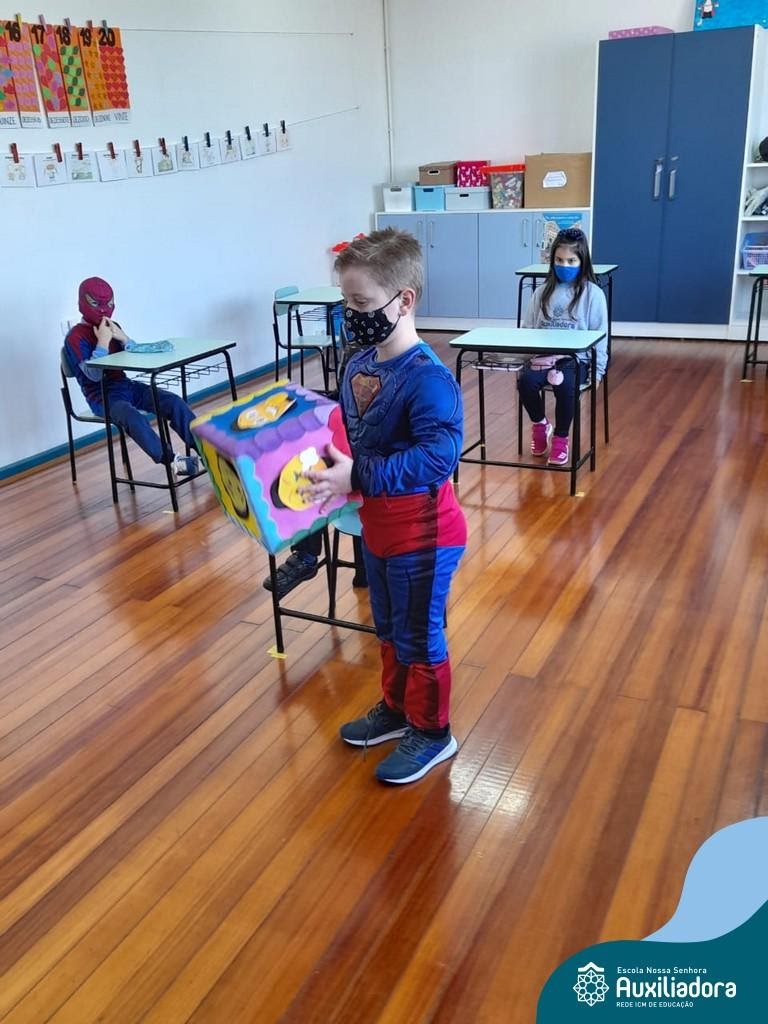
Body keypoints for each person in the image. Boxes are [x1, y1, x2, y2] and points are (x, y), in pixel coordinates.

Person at [306, 228, 466, 785]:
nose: (351, 315)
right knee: (389, 629)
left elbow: (437, 459)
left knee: (420, 636)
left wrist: (358, 475)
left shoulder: (430, 381)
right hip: (377, 529)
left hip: (425, 535)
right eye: (346, 302)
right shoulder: (357, 364)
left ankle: (434, 732)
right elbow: (354, 438)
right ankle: (397, 711)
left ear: (404, 300)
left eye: (362, 303)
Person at [262, 321, 369, 599]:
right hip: (349, 463)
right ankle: (307, 555)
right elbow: (344, 400)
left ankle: (310, 556)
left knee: (332, 461)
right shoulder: (356, 345)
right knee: (308, 453)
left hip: (376, 478)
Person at [64, 277, 199, 475]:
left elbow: (134, 357)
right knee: (132, 416)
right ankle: (171, 461)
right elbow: (93, 376)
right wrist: (102, 343)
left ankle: (205, 449)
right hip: (102, 397)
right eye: (96, 304)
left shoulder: (113, 326)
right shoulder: (75, 337)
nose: (104, 310)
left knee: (173, 402)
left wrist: (124, 339)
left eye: (109, 304)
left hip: (126, 386)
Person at [518, 228, 608, 466]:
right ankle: (540, 424)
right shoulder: (541, 292)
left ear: (582, 261)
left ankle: (560, 438)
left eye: (571, 261)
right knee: (525, 382)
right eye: (559, 260)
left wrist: (598, 372)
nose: (564, 265)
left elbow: (601, 337)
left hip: (575, 359)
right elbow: (528, 329)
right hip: (543, 356)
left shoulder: (593, 295)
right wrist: (525, 359)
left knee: (566, 387)